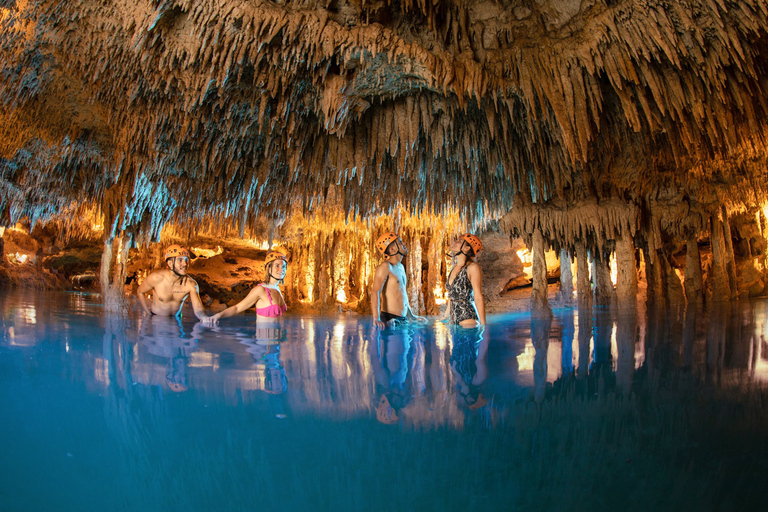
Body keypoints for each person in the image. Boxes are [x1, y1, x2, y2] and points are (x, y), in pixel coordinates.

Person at [202, 250, 288, 325]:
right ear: (268, 268)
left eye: (283, 266)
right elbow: (237, 308)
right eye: (277, 266)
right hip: (265, 342)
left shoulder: (277, 289)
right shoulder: (260, 290)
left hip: (278, 342)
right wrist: (218, 316)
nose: (281, 269)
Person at [137, 244, 210, 321]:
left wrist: (205, 318)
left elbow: (198, 309)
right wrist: (148, 314)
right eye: (180, 260)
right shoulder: (156, 278)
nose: (185, 264)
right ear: (170, 263)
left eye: (186, 260)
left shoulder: (190, 284)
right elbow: (140, 291)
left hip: (176, 320)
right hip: (156, 320)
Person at [371, 232, 426, 329]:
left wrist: (412, 316)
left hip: (402, 319)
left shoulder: (400, 267)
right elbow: (375, 291)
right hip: (390, 319)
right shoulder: (386, 267)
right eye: (400, 242)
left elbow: (402, 294)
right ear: (392, 249)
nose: (404, 243)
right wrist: (376, 318)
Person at [442, 234, 486, 327]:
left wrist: (483, 325)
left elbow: (477, 296)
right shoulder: (454, 267)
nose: (455, 242)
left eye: (459, 241)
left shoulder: (472, 268)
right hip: (453, 319)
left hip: (466, 317)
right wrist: (446, 316)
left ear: (466, 248)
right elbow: (452, 295)